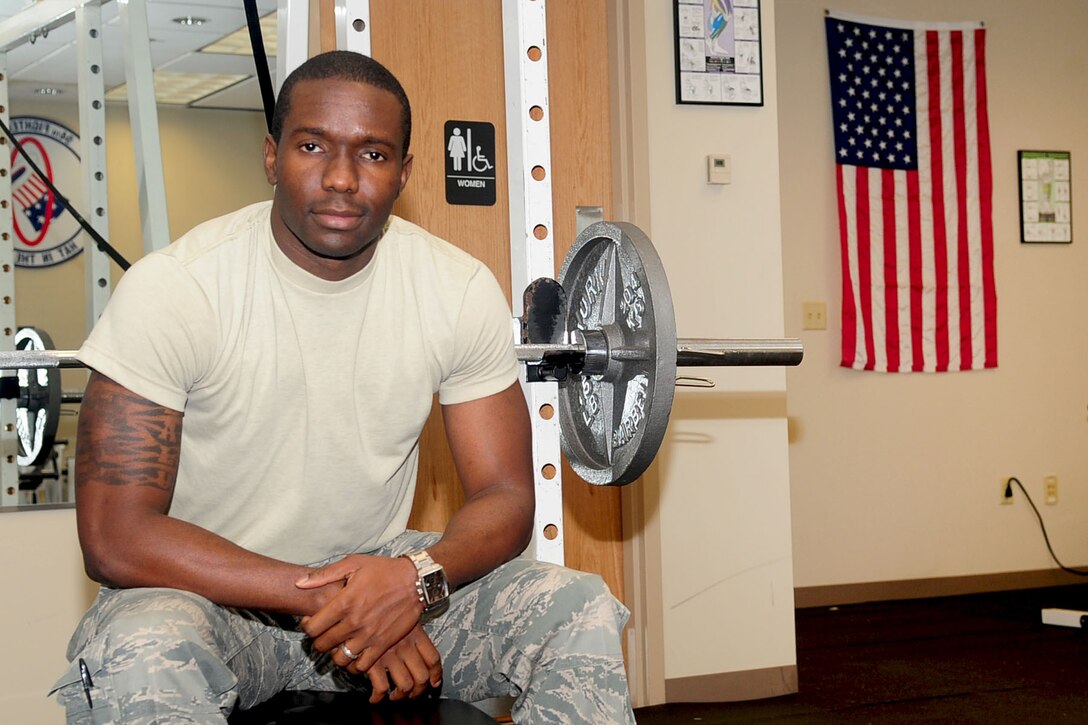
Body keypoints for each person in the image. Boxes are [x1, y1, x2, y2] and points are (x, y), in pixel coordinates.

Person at [50, 50, 634, 724]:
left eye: (373, 154)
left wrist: (413, 581)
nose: (341, 178)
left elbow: (505, 496)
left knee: (578, 606)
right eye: (312, 146)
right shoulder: (176, 289)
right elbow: (114, 534)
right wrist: (342, 598)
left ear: (404, 172)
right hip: (213, 596)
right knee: (141, 643)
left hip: (384, 576)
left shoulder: (455, 286)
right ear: (272, 156)